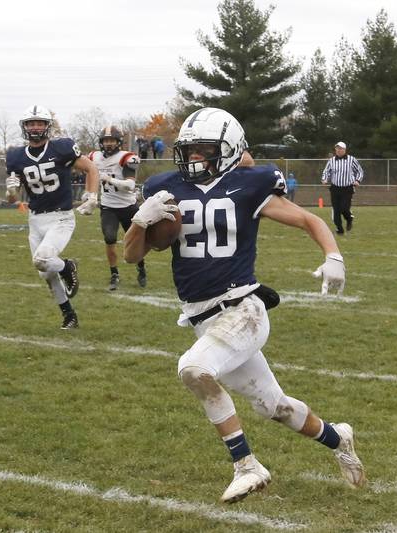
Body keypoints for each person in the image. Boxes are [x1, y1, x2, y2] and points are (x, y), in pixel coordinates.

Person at [124, 107, 365, 503]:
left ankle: (247, 466)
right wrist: (139, 221)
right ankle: (339, 438)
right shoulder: (166, 188)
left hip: (242, 309)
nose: (195, 158)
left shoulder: (249, 184)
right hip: (202, 316)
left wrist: (334, 256)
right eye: (190, 150)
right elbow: (133, 256)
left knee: (194, 368)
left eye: (205, 150)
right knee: (275, 406)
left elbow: (309, 220)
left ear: (230, 149)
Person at [5, 105, 99, 329]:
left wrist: (92, 196)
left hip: (61, 217)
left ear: (48, 126)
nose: (35, 127)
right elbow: (13, 199)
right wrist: (11, 193)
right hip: (35, 219)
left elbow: (91, 169)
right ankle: (69, 315)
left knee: (42, 259)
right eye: (31, 123)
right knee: (45, 273)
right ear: (24, 127)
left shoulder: (62, 148)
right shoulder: (16, 156)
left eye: (40, 123)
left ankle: (68, 267)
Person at [88, 125, 147, 290]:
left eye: (112, 140)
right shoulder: (94, 157)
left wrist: (110, 179)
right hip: (108, 207)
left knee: (135, 242)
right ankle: (114, 273)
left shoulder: (126, 157)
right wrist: (89, 194)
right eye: (106, 140)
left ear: (118, 141)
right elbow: (86, 171)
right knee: (109, 238)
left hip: (128, 206)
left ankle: (141, 267)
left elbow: (130, 184)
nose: (108, 144)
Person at [321, 141, 363, 235]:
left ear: (344, 150)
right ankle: (340, 230)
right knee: (336, 211)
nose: (338, 150)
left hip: (347, 188)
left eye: (340, 148)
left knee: (344, 208)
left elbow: (360, 171)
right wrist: (324, 179)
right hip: (335, 188)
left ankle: (349, 218)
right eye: (337, 148)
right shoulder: (331, 161)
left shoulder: (351, 159)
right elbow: (326, 171)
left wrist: (357, 180)